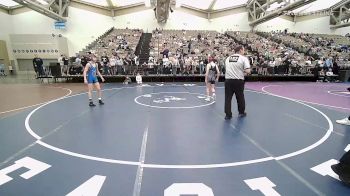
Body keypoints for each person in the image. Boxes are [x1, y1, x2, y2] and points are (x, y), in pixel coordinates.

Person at [224, 46, 251, 120]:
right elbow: (248, 71)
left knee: (228, 98)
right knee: (240, 97)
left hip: (228, 81)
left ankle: (228, 115)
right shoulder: (243, 58)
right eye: (243, 50)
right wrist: (242, 71)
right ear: (240, 50)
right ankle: (241, 112)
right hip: (238, 81)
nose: (244, 51)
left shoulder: (228, 58)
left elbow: (227, 69)